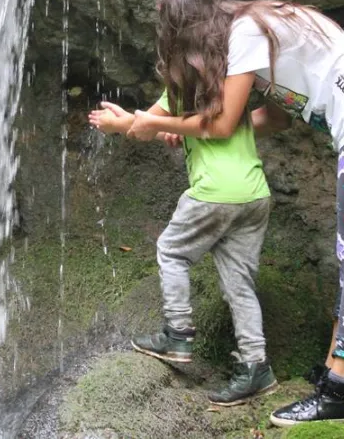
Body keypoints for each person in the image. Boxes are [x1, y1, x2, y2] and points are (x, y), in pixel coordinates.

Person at [121, 0, 344, 427]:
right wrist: (190, 133)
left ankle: (341, 392)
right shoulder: (257, 32)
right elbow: (273, 119)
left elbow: (219, 124)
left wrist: (159, 123)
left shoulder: (245, 35)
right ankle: (339, 370)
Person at [88, 34, 277, 406]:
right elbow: (178, 128)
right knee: (239, 283)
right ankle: (256, 366)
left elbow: (142, 126)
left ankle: (177, 334)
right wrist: (168, 128)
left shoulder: (176, 90)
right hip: (254, 195)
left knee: (172, 251)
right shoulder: (231, 86)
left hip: (214, 194)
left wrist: (117, 125)